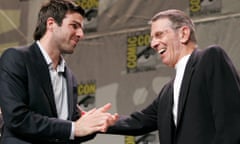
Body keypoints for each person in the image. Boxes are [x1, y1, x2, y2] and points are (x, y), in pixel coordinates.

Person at [106, 9, 240, 144]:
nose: (153, 44)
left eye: (159, 35)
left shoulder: (210, 58)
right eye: (152, 38)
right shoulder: (167, 92)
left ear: (183, 34)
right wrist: (100, 122)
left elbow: (232, 123)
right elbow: (139, 122)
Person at [0, 0, 117, 143]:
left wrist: (94, 125)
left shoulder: (70, 77)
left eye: (81, 28)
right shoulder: (16, 58)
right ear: (51, 24)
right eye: (74, 26)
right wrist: (74, 128)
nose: (80, 34)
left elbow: (70, 130)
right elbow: (17, 118)